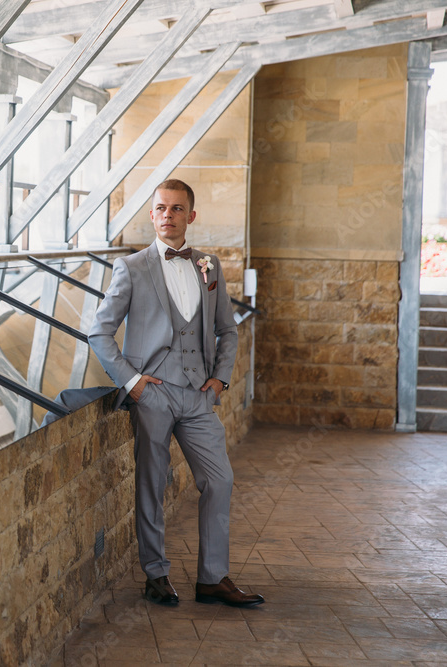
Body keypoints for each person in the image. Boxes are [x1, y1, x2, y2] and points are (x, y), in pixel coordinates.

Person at [88, 179, 264, 608]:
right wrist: (133, 382)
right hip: (154, 394)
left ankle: (212, 578)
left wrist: (220, 379)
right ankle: (156, 574)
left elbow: (227, 329)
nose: (168, 215)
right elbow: (99, 331)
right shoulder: (132, 268)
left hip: (199, 395)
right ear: (152, 215)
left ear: (191, 215)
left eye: (177, 208)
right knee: (152, 483)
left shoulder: (209, 265)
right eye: (161, 208)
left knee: (220, 480)